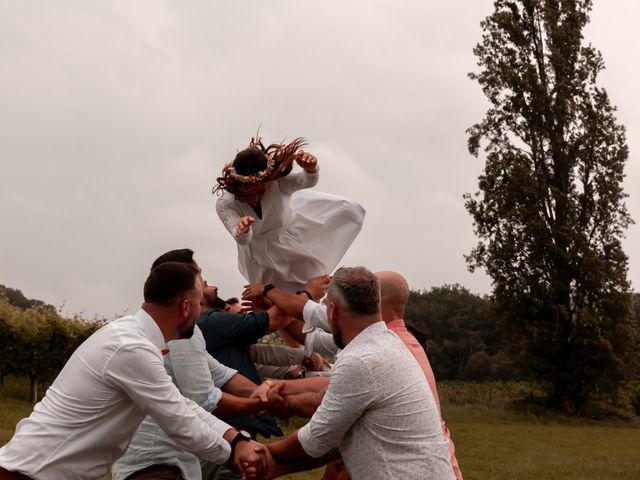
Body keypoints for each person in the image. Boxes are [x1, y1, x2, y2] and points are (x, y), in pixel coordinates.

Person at [0, 262, 268, 480]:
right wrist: (233, 452)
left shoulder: (133, 338)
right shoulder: (132, 348)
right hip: (29, 474)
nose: (201, 313)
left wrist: (234, 439)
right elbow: (179, 420)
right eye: (199, 304)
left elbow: (180, 404)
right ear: (186, 307)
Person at [243, 271, 463, 480]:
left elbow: (316, 437)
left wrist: (260, 451)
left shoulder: (361, 359)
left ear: (333, 312)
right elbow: (331, 405)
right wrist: (288, 403)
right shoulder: (388, 343)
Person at [112, 250, 280, 480]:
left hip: (167, 459)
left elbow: (222, 375)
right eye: (199, 274)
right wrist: (258, 405)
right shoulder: (178, 336)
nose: (205, 281)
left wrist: (264, 393)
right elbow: (203, 399)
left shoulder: (179, 332)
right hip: (156, 464)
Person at [213, 136, 365, 292]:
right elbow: (242, 240)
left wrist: (311, 169)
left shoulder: (277, 183)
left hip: (292, 241)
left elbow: (306, 180)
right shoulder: (225, 203)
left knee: (305, 287)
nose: (254, 197)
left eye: (260, 191)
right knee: (272, 296)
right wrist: (242, 230)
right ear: (237, 185)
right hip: (259, 258)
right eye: (248, 192)